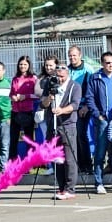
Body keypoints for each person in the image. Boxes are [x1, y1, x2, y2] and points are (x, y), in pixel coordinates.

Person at [86, 52, 112, 194]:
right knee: (100, 152)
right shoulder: (95, 78)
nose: (110, 65)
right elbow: (90, 98)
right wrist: (98, 115)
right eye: (107, 63)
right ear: (102, 63)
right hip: (103, 121)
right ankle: (98, 182)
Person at [40, 62, 82, 201]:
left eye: (62, 76)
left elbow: (75, 105)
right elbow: (43, 104)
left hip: (68, 125)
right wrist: (50, 97)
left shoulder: (74, 86)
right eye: (57, 75)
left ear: (67, 74)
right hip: (53, 125)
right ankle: (62, 187)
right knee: (57, 158)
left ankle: (70, 188)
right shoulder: (50, 84)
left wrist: (62, 111)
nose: (59, 78)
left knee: (70, 158)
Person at [9, 56, 37, 162]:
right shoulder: (15, 78)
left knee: (29, 139)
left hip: (27, 111)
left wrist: (26, 96)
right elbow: (11, 93)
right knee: (13, 139)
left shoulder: (33, 78)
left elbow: (37, 95)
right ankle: (13, 161)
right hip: (15, 112)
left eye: (25, 64)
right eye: (21, 64)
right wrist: (13, 97)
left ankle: (31, 162)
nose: (22, 66)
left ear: (29, 65)